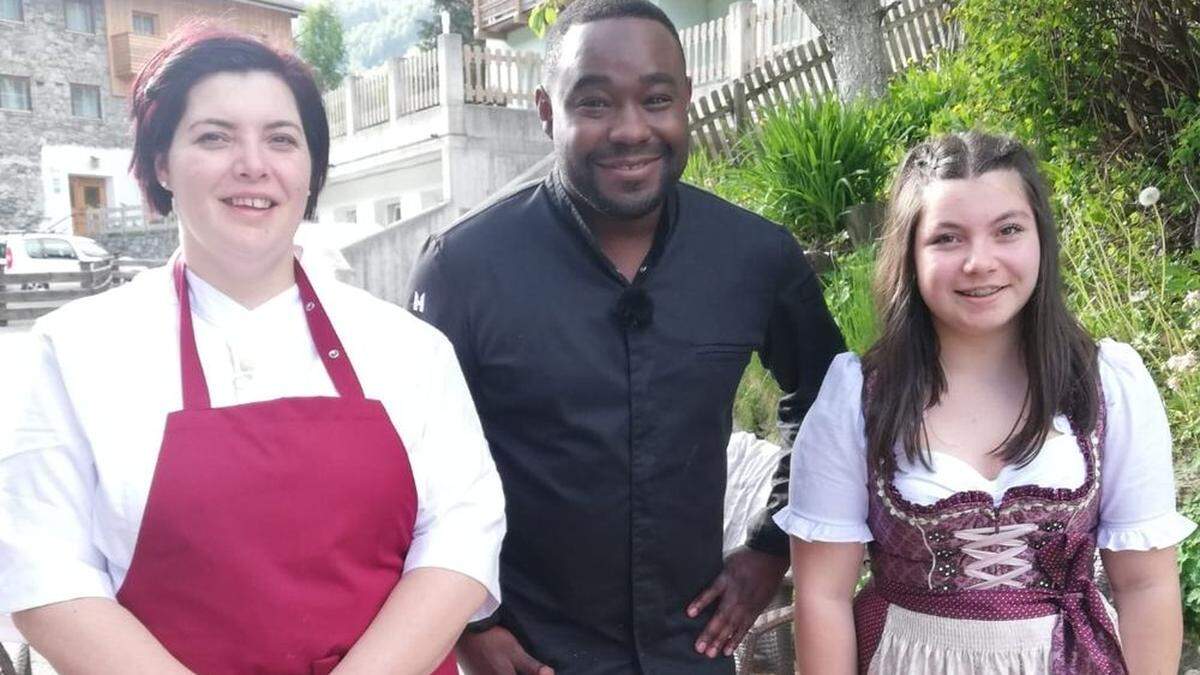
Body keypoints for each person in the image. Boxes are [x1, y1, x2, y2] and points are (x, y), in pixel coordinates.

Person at [0, 27, 505, 675]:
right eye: (214, 136)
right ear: (160, 162)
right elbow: (42, 565)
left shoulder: (408, 350)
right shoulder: (77, 350)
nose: (252, 164)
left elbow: (462, 533)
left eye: (281, 138)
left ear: (312, 169)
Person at [405, 1, 844, 672]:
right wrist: (471, 621)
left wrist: (772, 539)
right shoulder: (464, 270)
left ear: (687, 102)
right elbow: (412, 459)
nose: (632, 129)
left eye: (657, 99)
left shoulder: (755, 258)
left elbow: (828, 399)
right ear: (547, 112)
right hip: (530, 651)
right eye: (596, 104)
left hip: (692, 647)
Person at [777, 132, 1196, 673]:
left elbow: (1145, 584)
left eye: (1008, 231)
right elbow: (822, 596)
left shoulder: (1107, 385)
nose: (981, 262)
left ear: (1040, 238)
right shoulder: (858, 396)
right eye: (947, 239)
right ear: (910, 253)